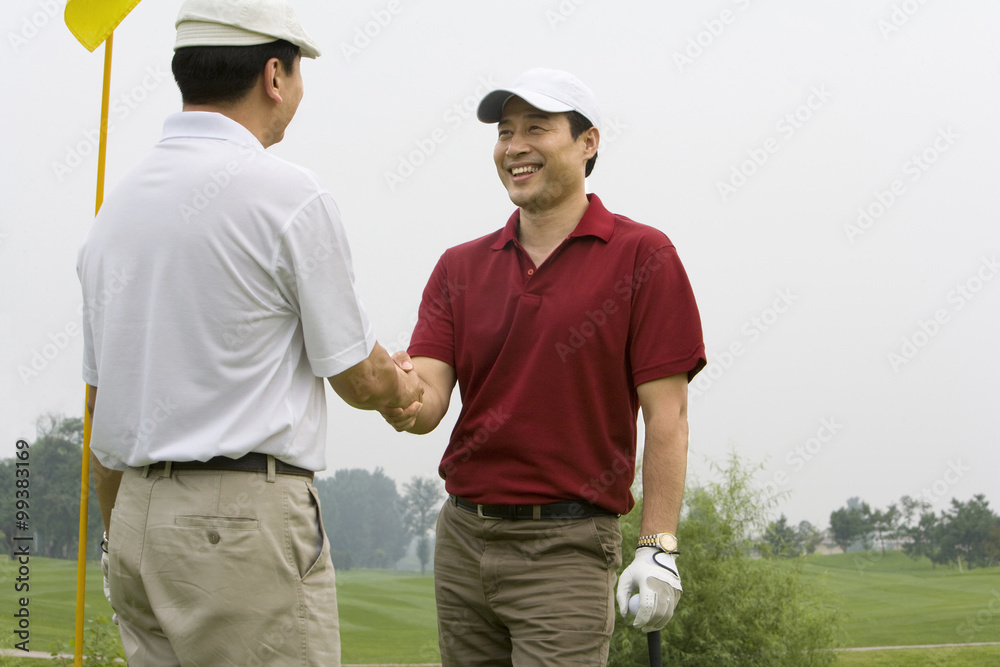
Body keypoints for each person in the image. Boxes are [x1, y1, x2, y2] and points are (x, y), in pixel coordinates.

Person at [77, 1, 422, 664]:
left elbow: (99, 404)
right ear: (273, 75)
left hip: (136, 519)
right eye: (298, 73)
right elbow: (356, 374)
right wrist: (400, 388)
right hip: (240, 527)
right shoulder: (287, 195)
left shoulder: (113, 212)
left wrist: (121, 528)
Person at [382, 68, 706, 664]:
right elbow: (424, 405)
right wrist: (385, 384)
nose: (515, 146)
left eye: (537, 127)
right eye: (505, 132)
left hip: (568, 546)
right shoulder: (459, 267)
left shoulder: (644, 256)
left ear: (589, 143)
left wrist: (657, 546)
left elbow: (669, 415)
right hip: (462, 541)